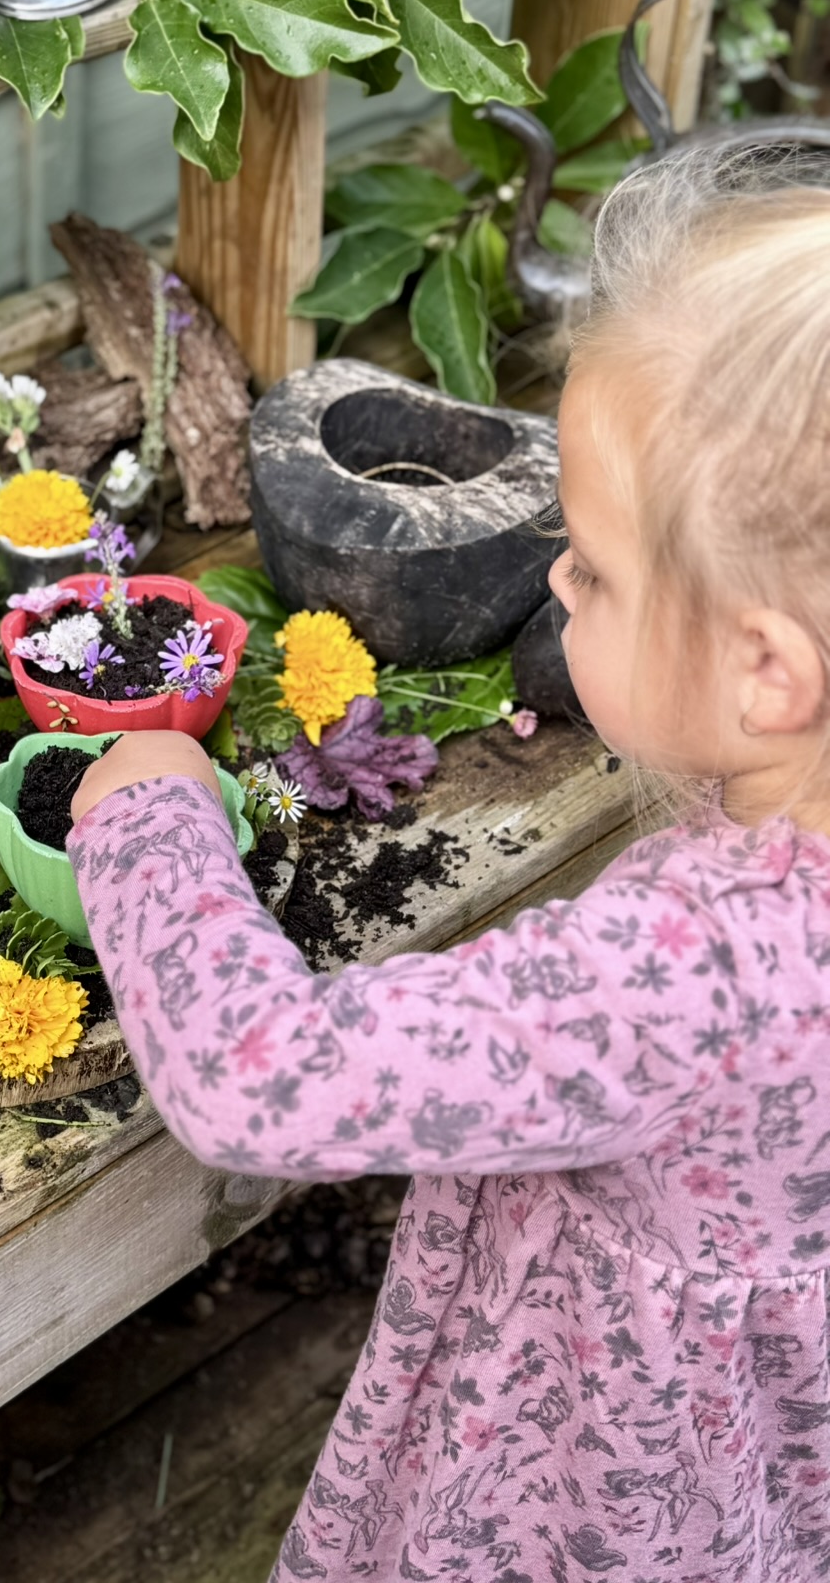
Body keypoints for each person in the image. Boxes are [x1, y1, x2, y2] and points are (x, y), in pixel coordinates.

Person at [66, 147, 830, 1581]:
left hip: (575, 1498)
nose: (555, 581)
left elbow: (255, 1077)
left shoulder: (690, 968)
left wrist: (148, 818)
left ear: (768, 674)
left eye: (593, 568)